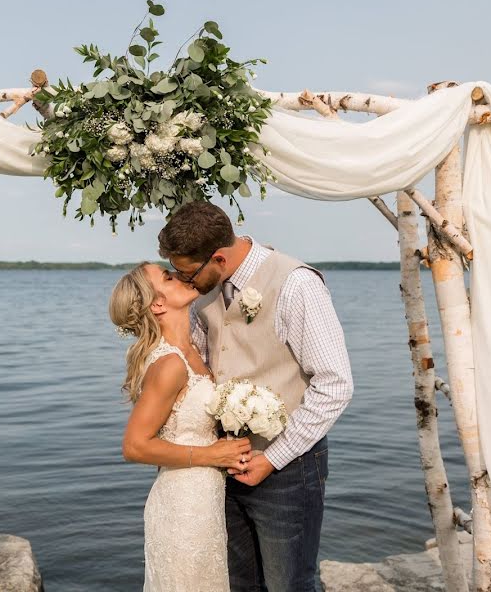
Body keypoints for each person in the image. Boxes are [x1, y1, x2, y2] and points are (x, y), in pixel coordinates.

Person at [158, 201, 353, 591]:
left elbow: (335, 384)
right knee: (239, 584)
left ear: (218, 257)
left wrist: (273, 458)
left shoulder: (296, 284)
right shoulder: (205, 286)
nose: (185, 282)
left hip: (288, 467)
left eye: (187, 273)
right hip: (222, 466)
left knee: (290, 584)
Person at [110, 262, 252, 591]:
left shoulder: (193, 352)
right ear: (157, 303)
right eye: (169, 277)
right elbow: (134, 446)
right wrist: (213, 455)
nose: (182, 277)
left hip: (205, 497)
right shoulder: (170, 363)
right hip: (183, 505)